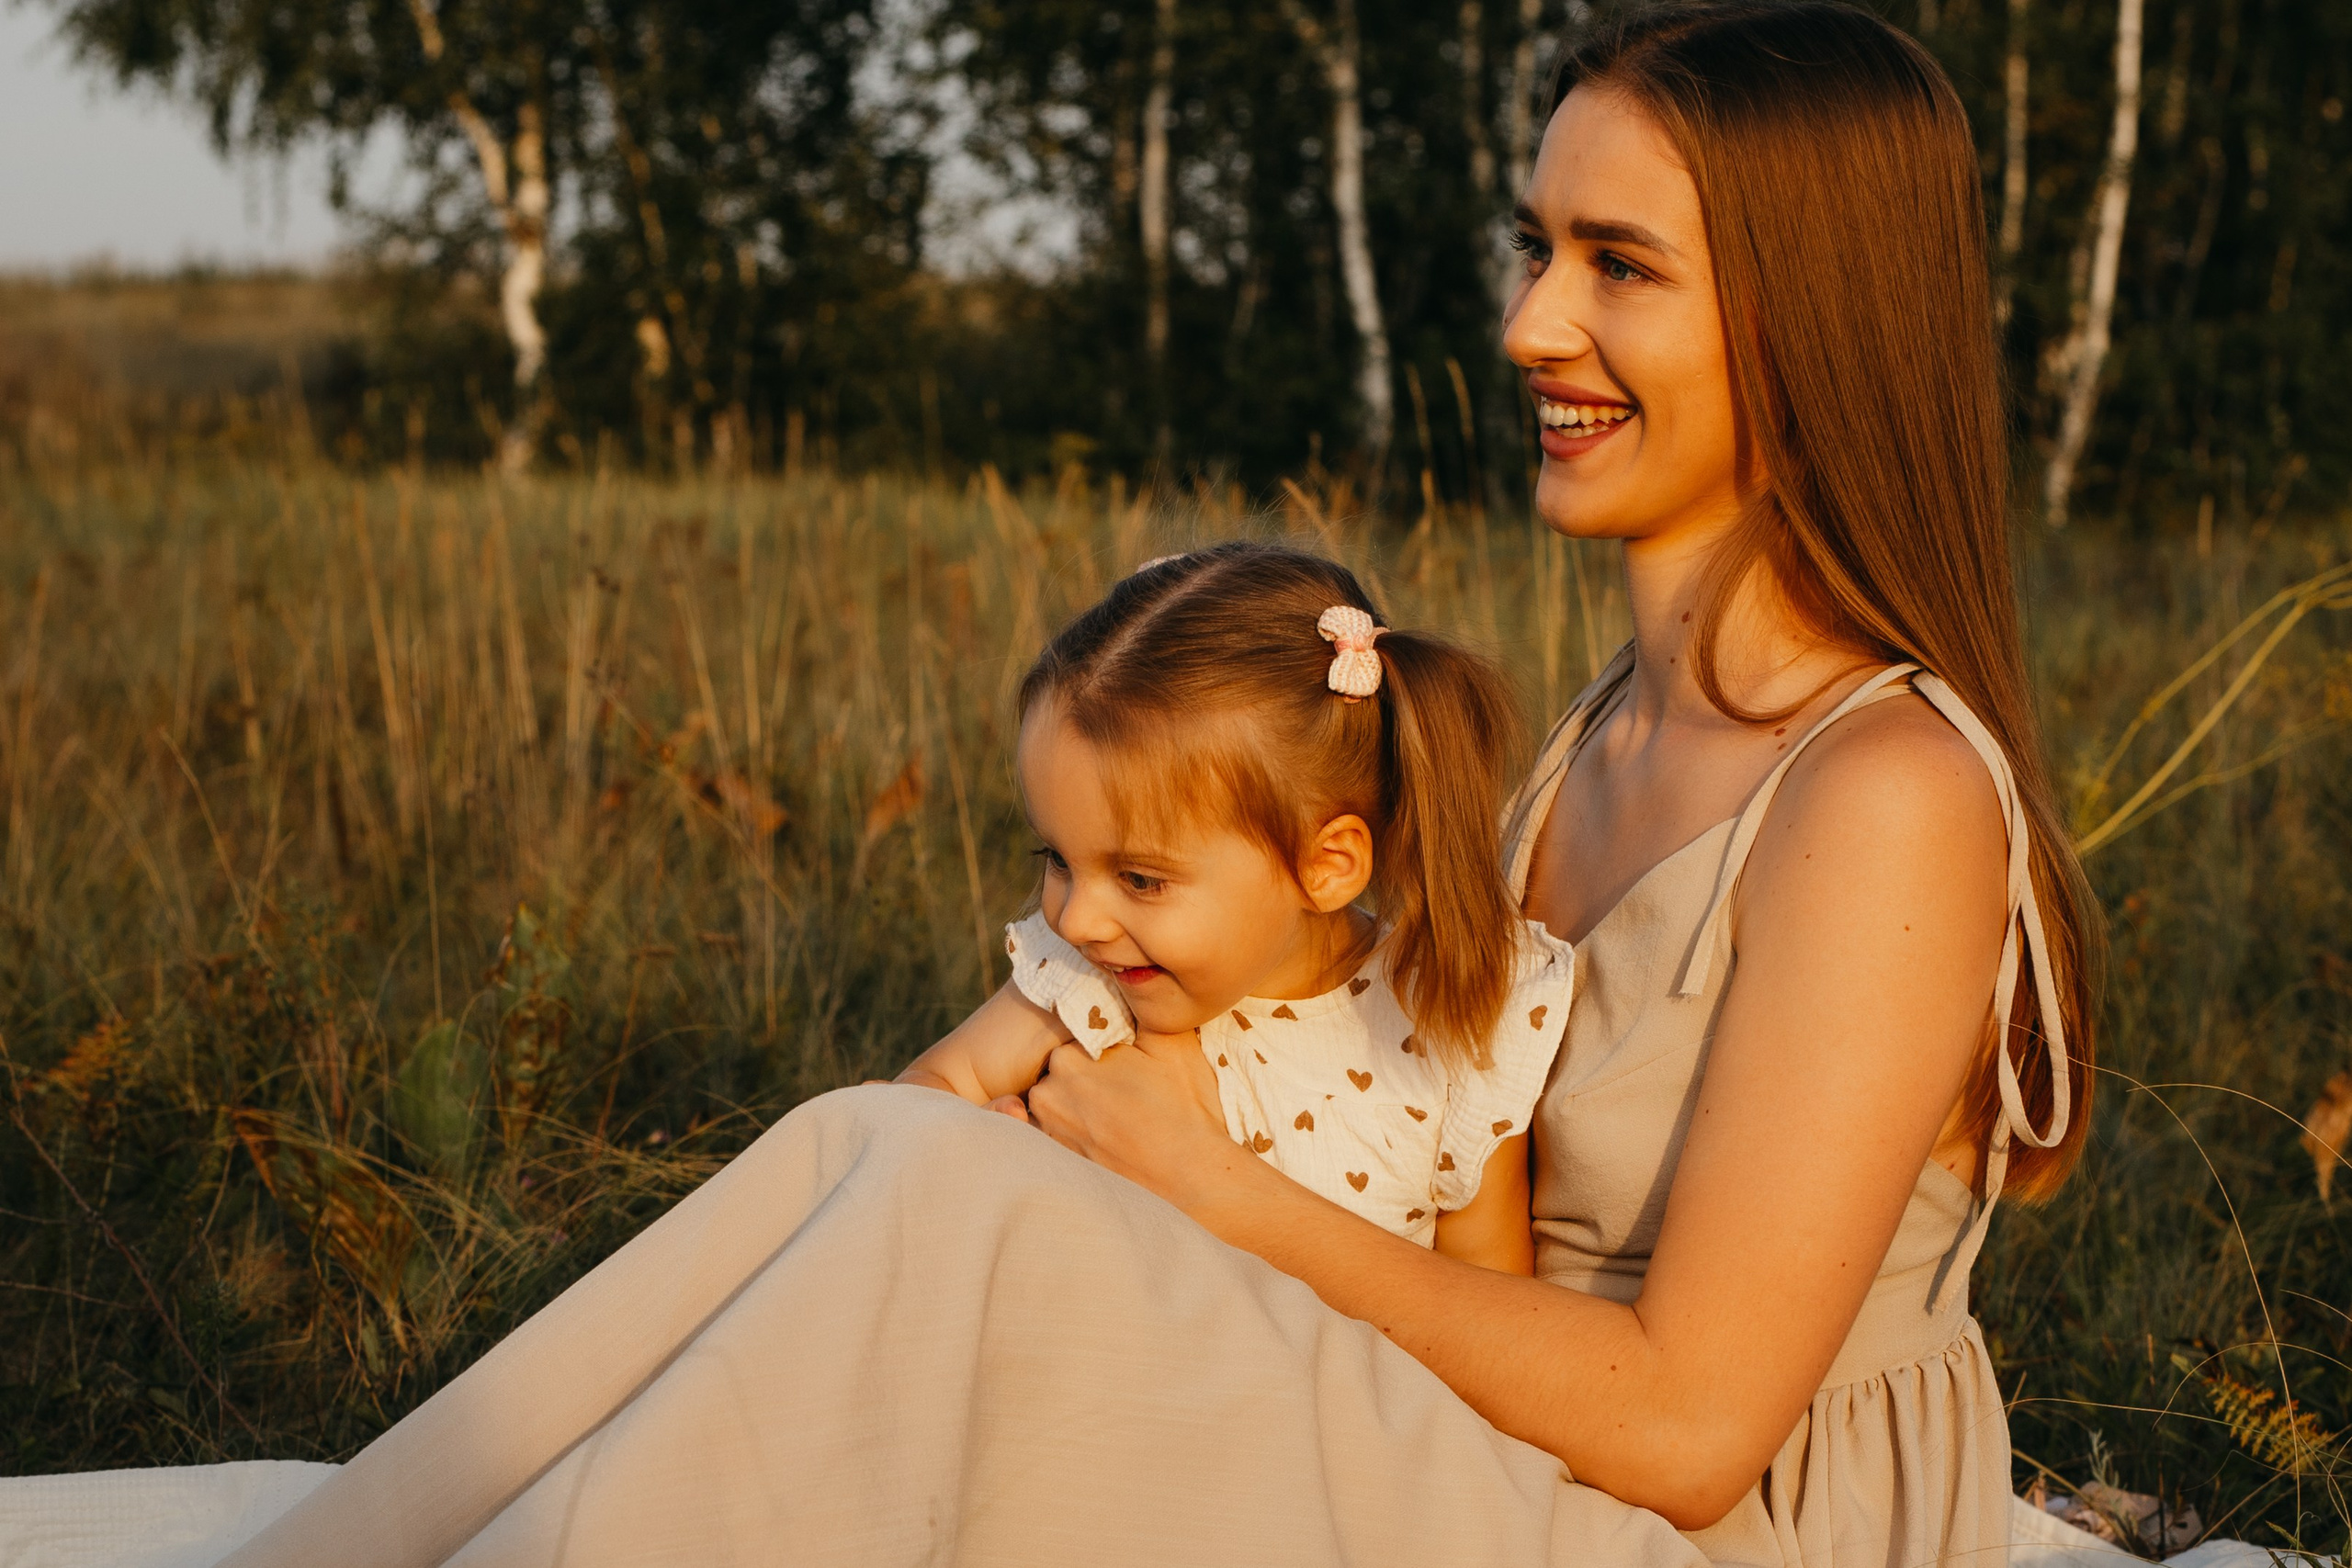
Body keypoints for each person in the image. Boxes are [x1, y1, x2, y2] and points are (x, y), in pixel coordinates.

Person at [215, 4, 2099, 1565]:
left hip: (1705, 1536)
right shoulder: (1587, 738)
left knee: (949, 1219)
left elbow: (1687, 1429)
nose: (1531, 323)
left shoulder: (1882, 795)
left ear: (1805, 317)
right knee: (895, 1159)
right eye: (1537, 246)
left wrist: (1205, 1191)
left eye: (1618, 267)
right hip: (1483, 1445)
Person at [899, 543, 1571, 1269]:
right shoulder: (1088, 981)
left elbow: (1478, 1308)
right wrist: (972, 1146)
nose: (1075, 920)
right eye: (1058, 858)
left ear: (1326, 865)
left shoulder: (1450, 1026)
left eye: (1140, 879)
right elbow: (918, 1098)